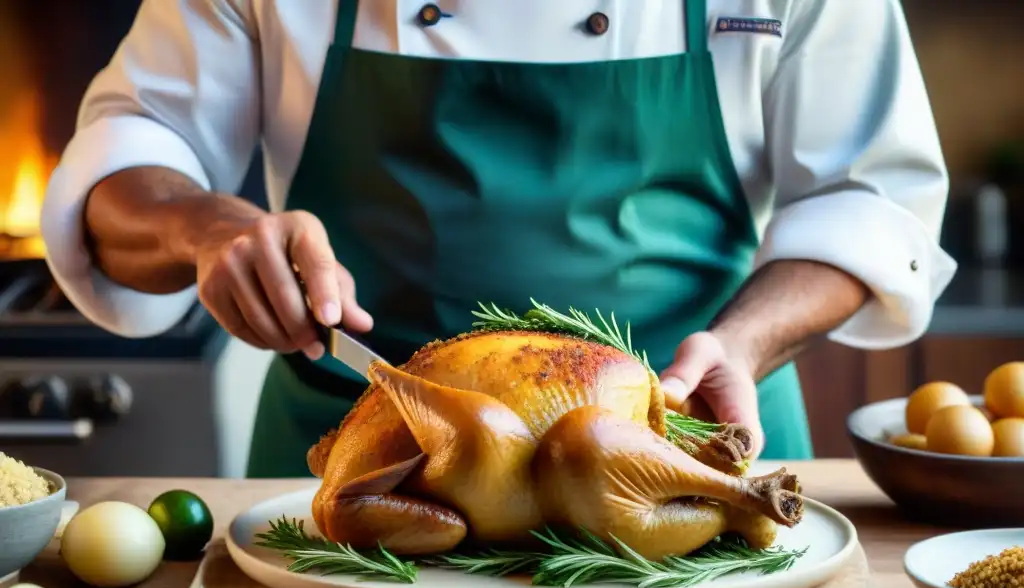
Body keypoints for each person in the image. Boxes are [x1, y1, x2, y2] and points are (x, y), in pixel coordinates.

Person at [41, 0, 956, 478]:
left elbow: (869, 199)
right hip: (354, 479)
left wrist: (745, 343)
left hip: (687, 455)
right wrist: (208, 229)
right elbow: (127, 164)